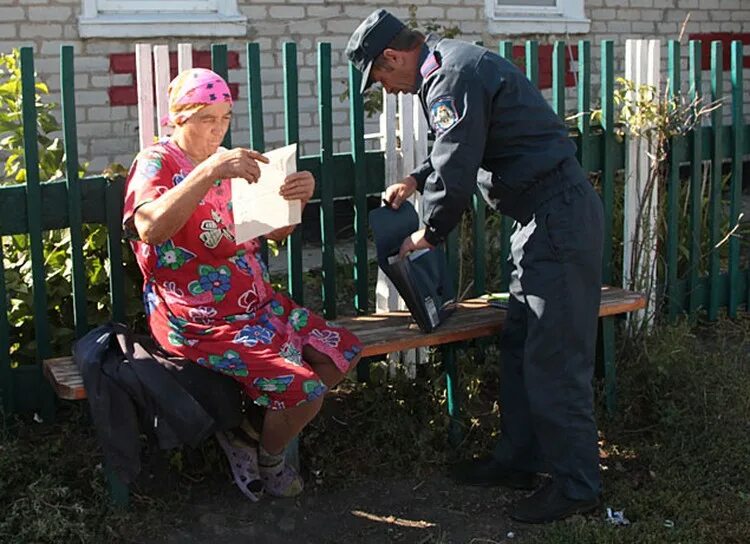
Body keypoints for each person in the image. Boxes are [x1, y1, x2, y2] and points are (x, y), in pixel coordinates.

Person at [347, 10, 604, 523]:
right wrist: (419, 179)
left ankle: (577, 486)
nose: (387, 89)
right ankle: (519, 460)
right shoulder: (453, 64)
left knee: (555, 356)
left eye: (379, 76)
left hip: (556, 218)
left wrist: (429, 232)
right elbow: (468, 140)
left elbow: (460, 161)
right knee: (521, 346)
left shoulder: (448, 76)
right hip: (541, 219)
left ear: (394, 56)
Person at [123, 68, 362, 498]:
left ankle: (247, 435)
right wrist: (211, 171)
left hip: (255, 304)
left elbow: (274, 235)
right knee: (303, 391)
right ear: (180, 119)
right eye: (207, 120)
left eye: (225, 119)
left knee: (339, 354)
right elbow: (150, 228)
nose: (218, 131)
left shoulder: (230, 162)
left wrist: (296, 200)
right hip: (196, 318)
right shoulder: (157, 161)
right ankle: (270, 460)